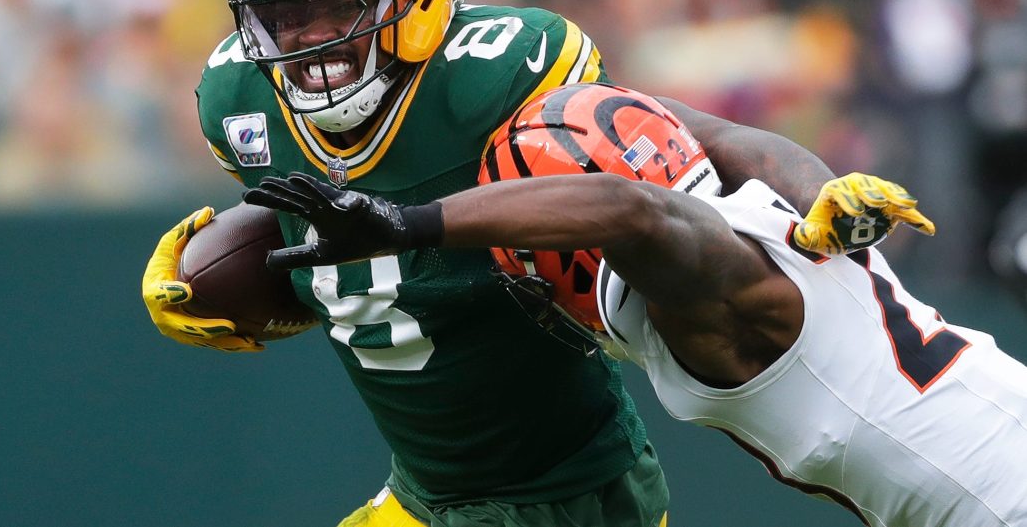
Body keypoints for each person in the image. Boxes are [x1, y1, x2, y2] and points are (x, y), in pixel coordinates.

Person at [139, 0, 910, 527]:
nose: (308, 42)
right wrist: (232, 272)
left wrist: (815, 189)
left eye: (336, 6)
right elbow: (327, 230)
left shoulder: (495, 78)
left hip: (571, 498)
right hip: (423, 493)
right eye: (282, 13)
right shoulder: (239, 100)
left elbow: (698, 134)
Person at [247, 83, 1027, 527]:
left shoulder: (719, 294)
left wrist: (409, 223)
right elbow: (716, 134)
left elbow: (631, 208)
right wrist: (820, 184)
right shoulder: (766, 212)